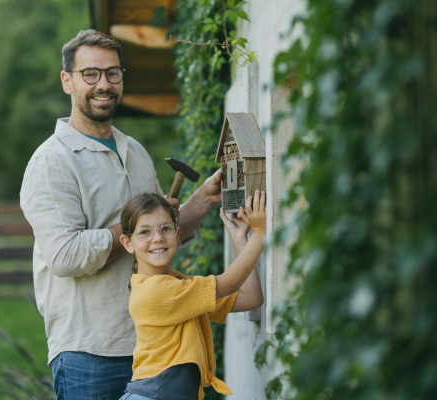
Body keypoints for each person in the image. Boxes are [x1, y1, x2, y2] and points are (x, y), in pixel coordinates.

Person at [20, 30, 223, 400]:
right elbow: (65, 257)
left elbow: (159, 237)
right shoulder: (52, 162)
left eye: (113, 74)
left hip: (152, 345)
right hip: (89, 352)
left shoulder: (136, 152)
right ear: (68, 81)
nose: (104, 84)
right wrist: (134, 229)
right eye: (91, 74)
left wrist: (204, 199)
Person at [118, 191, 266, 400]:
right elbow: (231, 282)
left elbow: (251, 298)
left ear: (177, 234)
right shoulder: (158, 292)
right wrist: (259, 233)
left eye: (166, 228)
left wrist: (241, 239)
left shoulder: (180, 288)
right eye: (144, 232)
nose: (158, 237)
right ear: (127, 243)